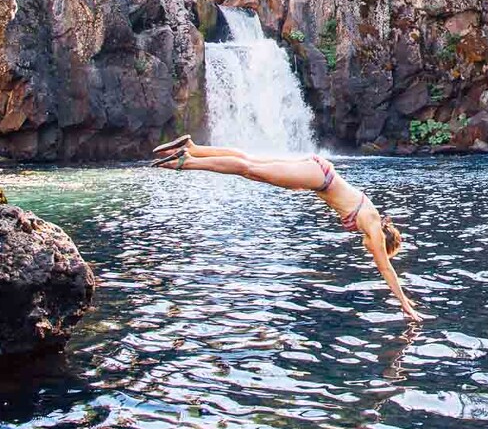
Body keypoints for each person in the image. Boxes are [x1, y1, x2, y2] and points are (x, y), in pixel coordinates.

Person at [150, 136, 422, 322]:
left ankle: (194, 147)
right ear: (384, 244)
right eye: (380, 251)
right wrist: (405, 304)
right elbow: (385, 268)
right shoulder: (374, 228)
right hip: (320, 178)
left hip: (317, 174)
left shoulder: (373, 217)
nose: (373, 252)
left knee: (251, 161)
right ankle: (188, 161)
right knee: (248, 169)